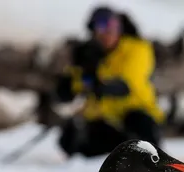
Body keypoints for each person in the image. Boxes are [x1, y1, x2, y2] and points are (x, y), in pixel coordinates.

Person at [54, 6, 165, 158]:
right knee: (71, 138)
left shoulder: (137, 48)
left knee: (138, 124)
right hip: (103, 121)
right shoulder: (89, 54)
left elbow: (127, 84)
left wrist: (100, 86)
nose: (107, 34)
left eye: (111, 27)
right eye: (100, 29)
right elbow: (72, 87)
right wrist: (68, 84)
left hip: (134, 116)